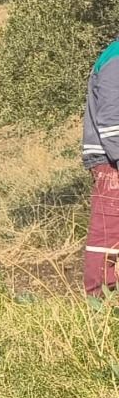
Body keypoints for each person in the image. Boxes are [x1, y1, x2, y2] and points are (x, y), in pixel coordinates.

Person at [82, 37, 119, 296]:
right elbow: (112, 122)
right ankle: (101, 305)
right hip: (110, 161)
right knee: (108, 238)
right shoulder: (116, 57)